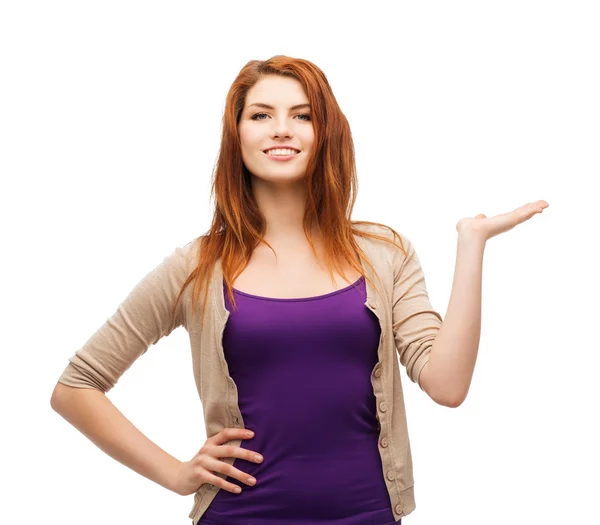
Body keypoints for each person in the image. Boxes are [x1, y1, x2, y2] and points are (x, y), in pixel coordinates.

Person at [50, 55, 549, 525]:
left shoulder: (385, 253)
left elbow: (447, 385)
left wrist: (471, 244)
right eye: (261, 115)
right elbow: (76, 386)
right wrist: (177, 474)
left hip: (369, 513)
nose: (282, 129)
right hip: (240, 516)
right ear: (237, 135)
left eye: (302, 115)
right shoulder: (197, 267)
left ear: (324, 133)